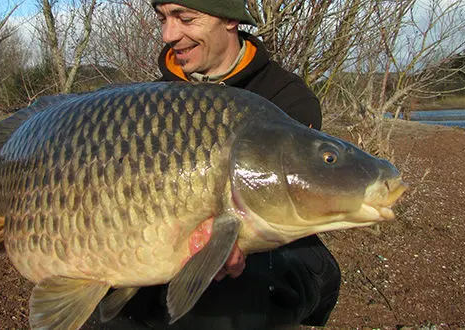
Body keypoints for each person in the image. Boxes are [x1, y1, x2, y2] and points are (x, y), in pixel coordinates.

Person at [115, 1, 340, 329]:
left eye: (186, 18)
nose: (168, 34)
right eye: (162, 18)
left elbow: (291, 199)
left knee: (243, 289)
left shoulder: (286, 96)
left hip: (269, 249)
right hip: (166, 239)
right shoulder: (151, 101)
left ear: (230, 18)